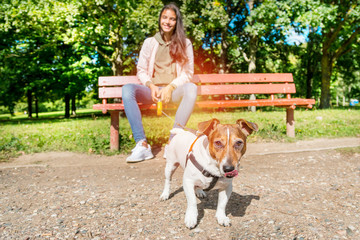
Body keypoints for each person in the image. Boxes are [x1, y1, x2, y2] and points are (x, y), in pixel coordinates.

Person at [122, 3, 197, 163]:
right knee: (127, 89)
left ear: (177, 22)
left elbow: (187, 73)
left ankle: (172, 144)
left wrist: (171, 87)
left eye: (172, 19)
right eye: (164, 17)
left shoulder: (185, 43)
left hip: (174, 91)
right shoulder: (149, 42)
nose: (167, 22)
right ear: (160, 19)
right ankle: (142, 145)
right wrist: (151, 85)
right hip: (152, 91)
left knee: (191, 88)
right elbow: (141, 69)